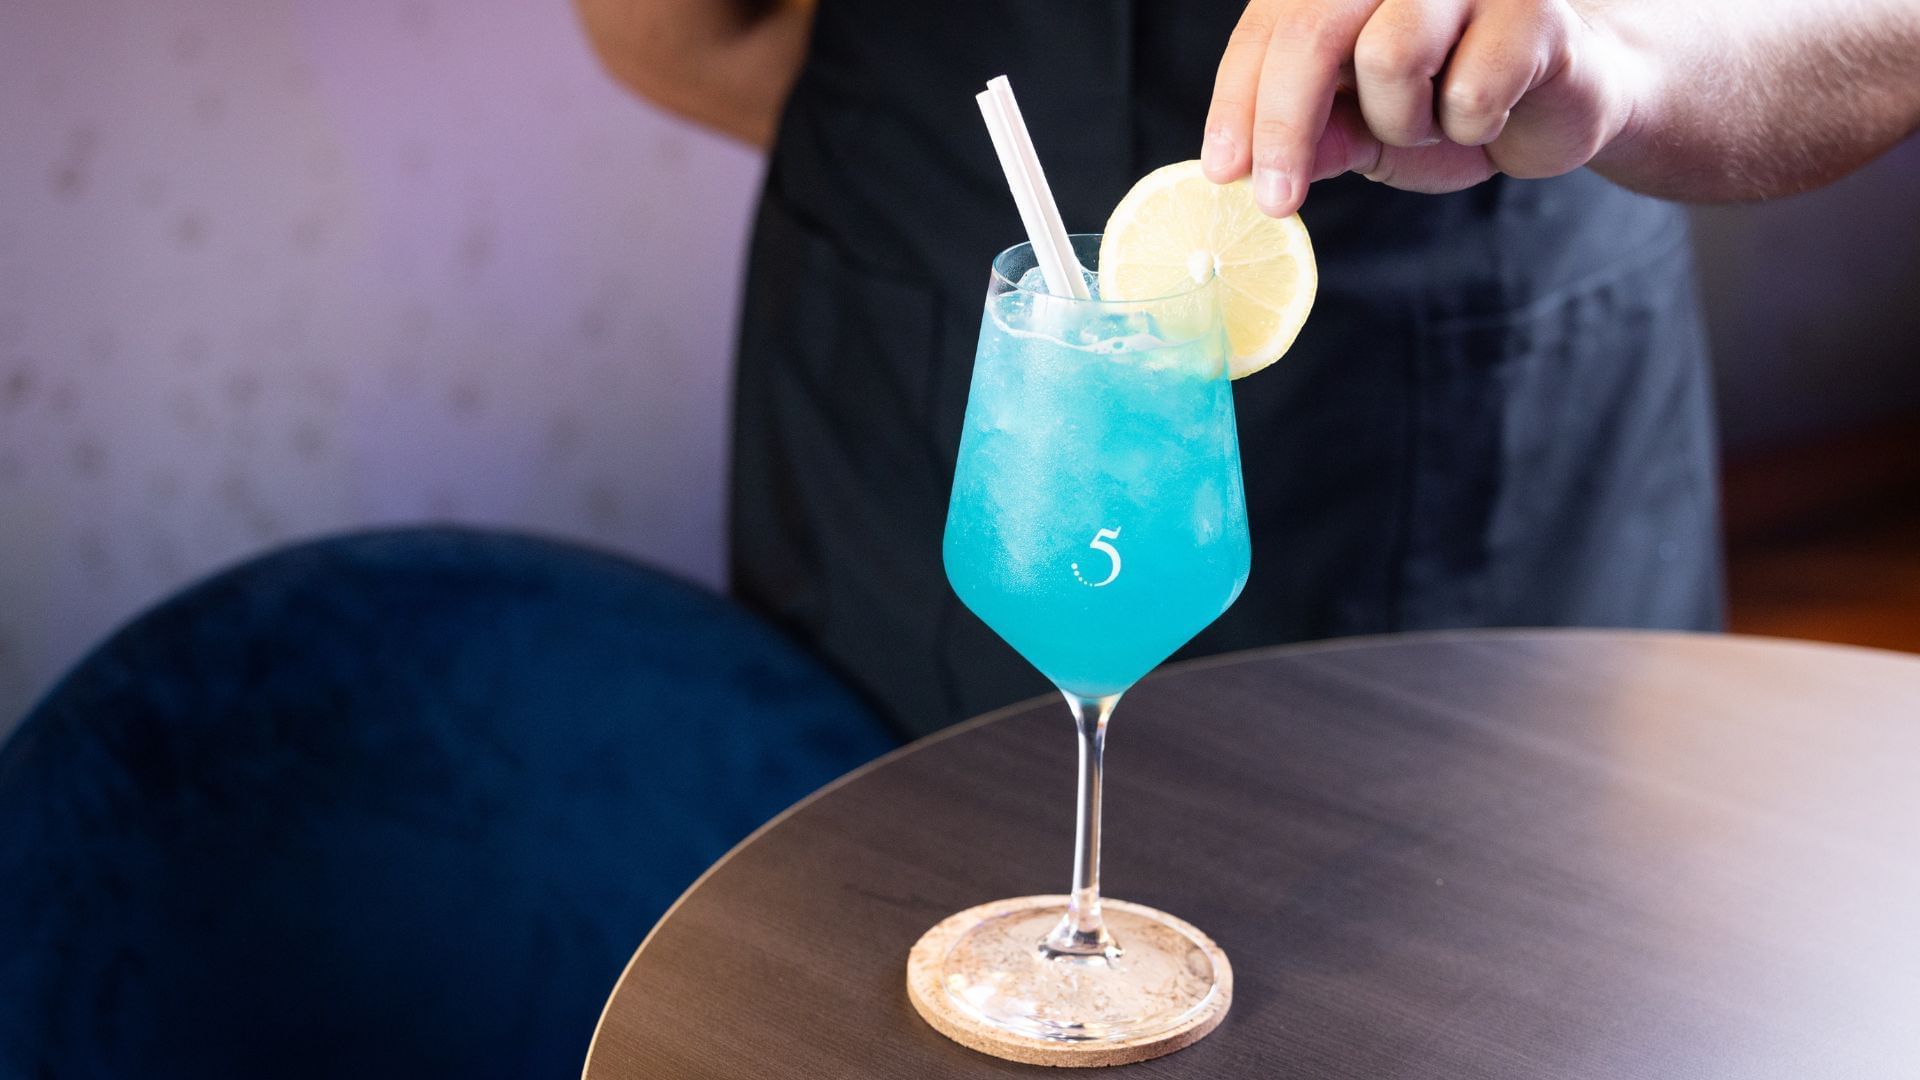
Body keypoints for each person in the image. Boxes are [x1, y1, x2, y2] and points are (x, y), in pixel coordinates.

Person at [576, 0, 1920, 739]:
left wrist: (1626, 59)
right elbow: (672, 26)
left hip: (1493, 400)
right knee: (890, 954)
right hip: (916, 353)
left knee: (1484, 982)